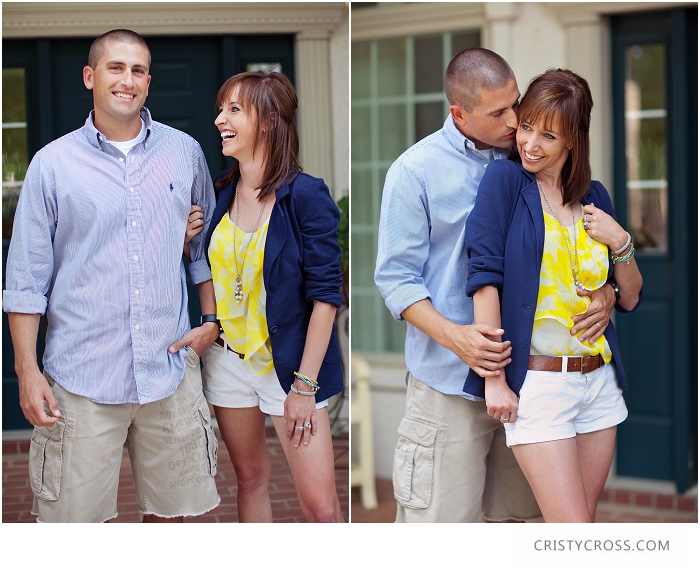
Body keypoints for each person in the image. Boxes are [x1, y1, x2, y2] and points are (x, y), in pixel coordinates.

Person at [375, 48, 616, 523]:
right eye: (500, 113)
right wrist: (458, 339)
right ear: (459, 114)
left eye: (517, 104)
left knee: (521, 528)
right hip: (448, 382)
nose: (516, 120)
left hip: (527, 384)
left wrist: (607, 290)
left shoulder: (533, 155)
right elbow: (396, 279)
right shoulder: (415, 171)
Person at [3, 29, 220, 523]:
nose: (128, 80)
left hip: (169, 373)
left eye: (139, 70)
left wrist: (211, 319)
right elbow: (25, 281)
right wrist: (25, 371)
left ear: (149, 81)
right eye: (116, 68)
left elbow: (202, 248)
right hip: (81, 380)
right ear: (90, 77)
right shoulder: (51, 165)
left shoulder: (183, 152)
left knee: (176, 526)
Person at [464, 69, 643, 522]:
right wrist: (494, 379)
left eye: (548, 135)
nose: (530, 144)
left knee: (580, 525)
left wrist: (619, 243)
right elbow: (485, 279)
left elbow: (631, 296)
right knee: (573, 531)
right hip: (539, 384)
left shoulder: (594, 197)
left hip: (597, 381)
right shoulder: (504, 183)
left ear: (572, 142)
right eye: (526, 127)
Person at [195, 71, 345, 522]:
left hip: (291, 372)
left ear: (269, 122)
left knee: (320, 506)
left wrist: (303, 386)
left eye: (234, 110)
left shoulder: (305, 195)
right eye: (221, 108)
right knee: (251, 479)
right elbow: (204, 268)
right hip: (227, 362)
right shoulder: (219, 192)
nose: (220, 118)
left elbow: (326, 297)